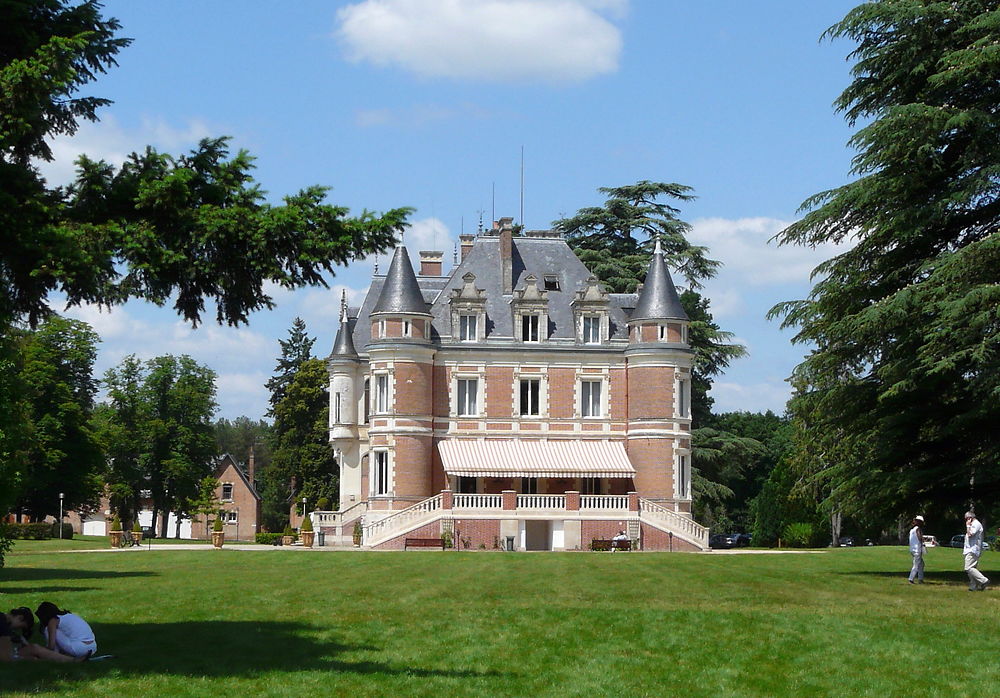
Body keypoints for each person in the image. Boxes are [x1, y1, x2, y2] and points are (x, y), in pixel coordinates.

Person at [0, 608, 83, 663]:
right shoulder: (3, 625)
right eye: (20, 627)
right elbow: (5, 658)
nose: (16, 629)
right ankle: (72, 660)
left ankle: (71, 660)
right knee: (33, 653)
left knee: (34, 648)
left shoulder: (3, 621)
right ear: (20, 618)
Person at [963, 511, 989, 591]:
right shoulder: (973, 524)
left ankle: (984, 580)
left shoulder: (976, 524)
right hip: (970, 549)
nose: (966, 520)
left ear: (970, 518)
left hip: (973, 549)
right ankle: (973, 586)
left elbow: (970, 534)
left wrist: (968, 526)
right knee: (972, 569)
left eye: (966, 519)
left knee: (968, 568)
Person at [908, 515, 925, 584]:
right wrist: (923, 539)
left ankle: (920, 579)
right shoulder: (918, 529)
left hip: (912, 549)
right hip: (917, 549)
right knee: (916, 564)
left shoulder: (912, 530)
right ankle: (911, 579)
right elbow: (919, 537)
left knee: (921, 564)